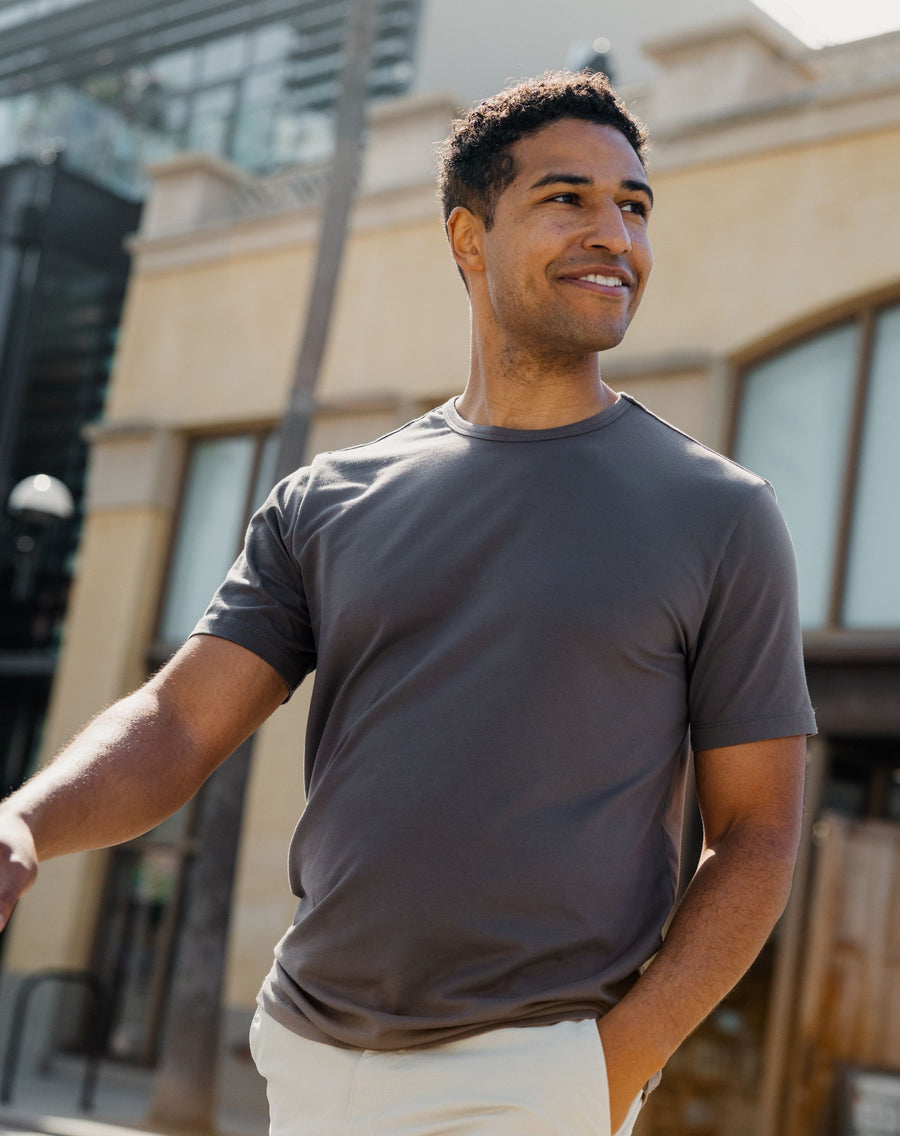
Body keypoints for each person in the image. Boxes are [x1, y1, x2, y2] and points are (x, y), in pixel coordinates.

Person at [0, 72, 815, 1136]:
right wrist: (25, 818)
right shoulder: (328, 500)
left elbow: (757, 833)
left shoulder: (719, 513)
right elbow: (180, 720)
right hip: (306, 1059)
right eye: (567, 198)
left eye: (635, 205)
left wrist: (619, 1061)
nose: (614, 233)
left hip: (533, 1082)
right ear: (469, 238)